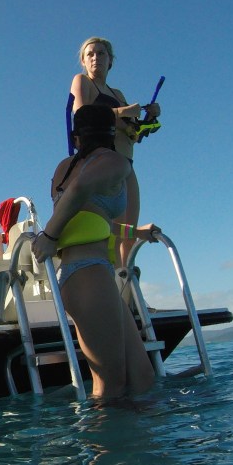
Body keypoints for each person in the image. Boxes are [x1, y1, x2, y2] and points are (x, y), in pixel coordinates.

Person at [32, 104, 160, 400]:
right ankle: (103, 445)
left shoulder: (65, 168)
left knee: (142, 377)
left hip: (89, 275)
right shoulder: (115, 162)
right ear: (113, 133)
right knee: (109, 388)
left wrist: (135, 233)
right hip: (88, 276)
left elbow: (91, 220)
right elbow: (79, 191)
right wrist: (49, 236)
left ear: (76, 137)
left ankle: (134, 444)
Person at [69, 37, 161, 265]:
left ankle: (128, 293)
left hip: (126, 163)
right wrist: (123, 112)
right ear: (83, 60)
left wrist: (149, 118)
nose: (96, 57)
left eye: (101, 53)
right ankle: (113, 291)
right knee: (111, 233)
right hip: (102, 163)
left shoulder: (117, 93)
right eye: (90, 54)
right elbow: (82, 115)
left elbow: (134, 135)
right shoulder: (82, 82)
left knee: (129, 233)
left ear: (110, 61)